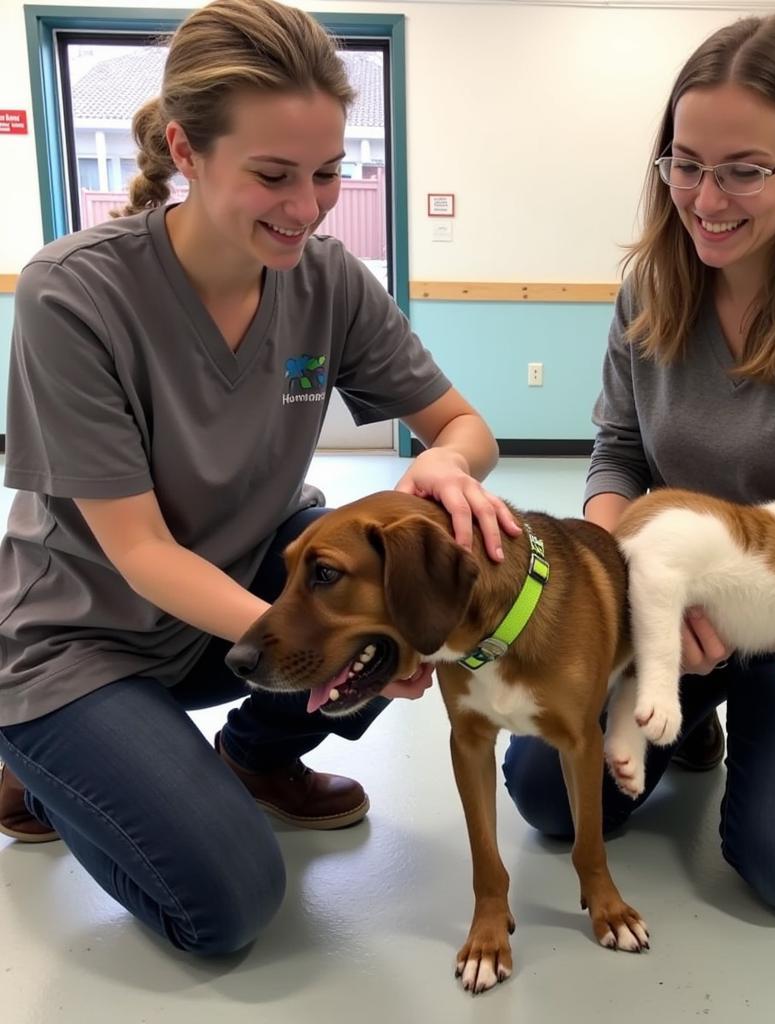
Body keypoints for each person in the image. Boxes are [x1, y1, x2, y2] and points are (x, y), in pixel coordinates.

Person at [0, 0, 518, 955]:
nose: (309, 205)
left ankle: (255, 756)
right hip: (83, 640)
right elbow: (144, 553)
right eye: (274, 175)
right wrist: (322, 647)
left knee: (384, 594)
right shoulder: (74, 294)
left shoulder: (328, 281)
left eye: (328, 173)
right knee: (226, 908)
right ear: (186, 151)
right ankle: (41, 757)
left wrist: (445, 462)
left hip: (234, 598)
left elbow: (464, 424)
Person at [503, 12, 775, 912]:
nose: (705, 200)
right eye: (685, 164)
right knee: (550, 797)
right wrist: (614, 592)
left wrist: (755, 625)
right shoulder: (649, 290)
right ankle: (695, 724)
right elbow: (617, 452)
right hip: (688, 592)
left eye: (743, 171)